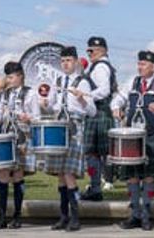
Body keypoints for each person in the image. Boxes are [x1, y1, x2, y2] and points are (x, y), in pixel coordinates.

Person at [112, 49, 154, 231]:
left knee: (149, 177)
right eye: (139, 63)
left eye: (144, 64)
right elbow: (117, 99)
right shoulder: (132, 82)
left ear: (153, 67)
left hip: (152, 135)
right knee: (132, 176)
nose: (140, 67)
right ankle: (134, 215)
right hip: (133, 138)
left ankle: (146, 214)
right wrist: (116, 107)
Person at [45, 45, 96, 231]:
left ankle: (75, 217)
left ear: (75, 61)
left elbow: (92, 111)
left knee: (68, 173)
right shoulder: (57, 81)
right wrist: (46, 104)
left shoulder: (82, 82)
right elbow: (52, 105)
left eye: (68, 60)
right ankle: (63, 216)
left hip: (74, 127)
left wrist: (82, 99)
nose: (65, 64)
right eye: (63, 61)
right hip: (59, 127)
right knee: (60, 174)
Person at [0, 61, 40, 229]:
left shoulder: (30, 93)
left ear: (20, 76)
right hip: (7, 137)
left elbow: (37, 117)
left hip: (22, 138)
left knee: (18, 175)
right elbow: (0, 113)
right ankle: (1, 217)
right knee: (2, 175)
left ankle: (17, 216)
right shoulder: (5, 94)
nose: (9, 80)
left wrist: (28, 118)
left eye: (11, 77)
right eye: (8, 77)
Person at [82, 36, 117, 202]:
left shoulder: (101, 67)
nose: (89, 53)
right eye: (88, 50)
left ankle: (96, 187)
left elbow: (104, 90)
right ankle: (96, 185)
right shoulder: (100, 66)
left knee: (93, 153)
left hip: (99, 112)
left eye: (92, 50)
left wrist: (85, 95)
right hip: (100, 112)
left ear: (103, 50)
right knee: (98, 154)